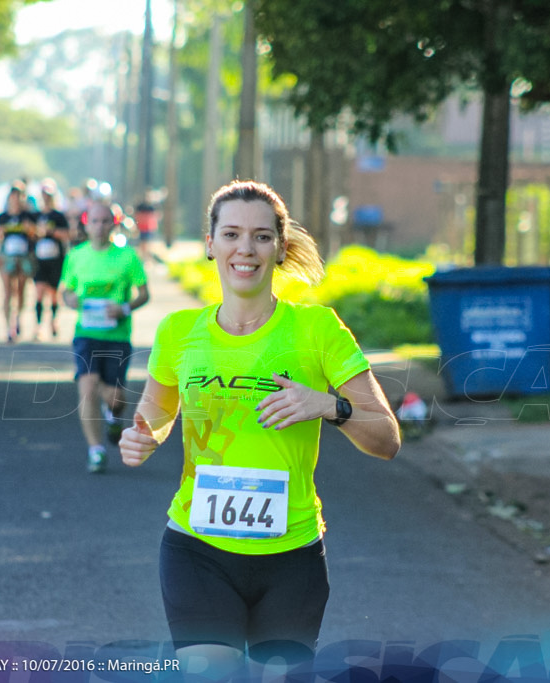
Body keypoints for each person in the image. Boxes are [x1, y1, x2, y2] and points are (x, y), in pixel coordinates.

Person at [119, 180, 401, 676]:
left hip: (291, 556)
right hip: (195, 549)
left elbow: (387, 439)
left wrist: (328, 405)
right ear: (210, 245)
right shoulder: (178, 332)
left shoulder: (317, 330)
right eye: (230, 234)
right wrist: (140, 440)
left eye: (261, 236)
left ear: (280, 247)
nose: (244, 249)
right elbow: (155, 419)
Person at [60, 200, 149, 473]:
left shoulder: (127, 257)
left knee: (116, 397)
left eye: (105, 221)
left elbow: (144, 294)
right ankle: (96, 450)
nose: (99, 227)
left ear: (113, 225)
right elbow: (66, 291)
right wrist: (70, 299)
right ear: (86, 224)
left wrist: (123, 308)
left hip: (117, 336)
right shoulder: (76, 255)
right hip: (86, 335)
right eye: (94, 221)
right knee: (87, 388)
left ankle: (113, 417)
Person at [0, 186, 38, 343]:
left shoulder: (28, 216)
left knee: (20, 291)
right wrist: (1, 231)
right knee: (7, 292)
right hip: (7, 257)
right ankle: (8, 327)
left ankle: (17, 318)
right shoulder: (3, 217)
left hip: (24, 257)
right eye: (13, 196)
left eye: (19, 197)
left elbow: (36, 235)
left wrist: (30, 229)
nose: (16, 200)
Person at [32, 183, 69, 339]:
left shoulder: (58, 216)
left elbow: (67, 235)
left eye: (49, 196)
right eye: (44, 196)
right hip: (39, 260)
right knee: (39, 292)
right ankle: (38, 326)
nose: (46, 199)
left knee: (54, 293)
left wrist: (50, 231)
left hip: (55, 259)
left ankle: (53, 321)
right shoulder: (36, 215)